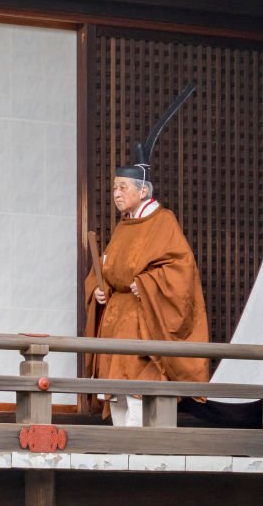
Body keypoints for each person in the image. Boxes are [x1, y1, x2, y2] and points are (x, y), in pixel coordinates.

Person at [84, 85, 209, 426]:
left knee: (140, 394)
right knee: (118, 397)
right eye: (113, 188)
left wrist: (147, 283)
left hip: (144, 323)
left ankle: (144, 456)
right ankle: (122, 453)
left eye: (122, 188)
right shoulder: (124, 226)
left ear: (143, 190)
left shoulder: (163, 221)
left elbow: (181, 270)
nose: (116, 194)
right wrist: (98, 287)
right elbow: (108, 268)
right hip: (117, 321)